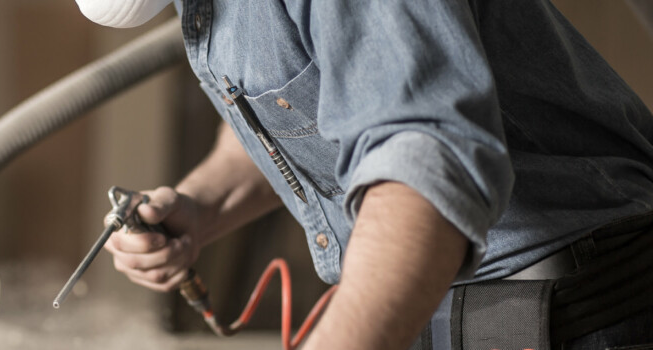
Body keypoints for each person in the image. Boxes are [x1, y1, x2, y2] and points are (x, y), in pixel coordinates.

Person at [76, 0, 653, 349]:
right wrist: (202, 206)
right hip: (447, 304)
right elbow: (299, 103)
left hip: (577, 309)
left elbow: (422, 176)